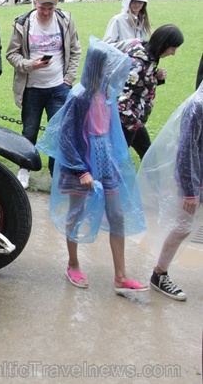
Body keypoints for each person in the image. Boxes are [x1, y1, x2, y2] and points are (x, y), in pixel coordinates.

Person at [36, 38, 147, 294]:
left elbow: (110, 131)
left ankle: (121, 275)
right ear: (97, 66)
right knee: (76, 213)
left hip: (104, 158)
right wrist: (80, 170)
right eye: (108, 66)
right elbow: (66, 137)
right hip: (82, 161)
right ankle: (73, 264)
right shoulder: (79, 96)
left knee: (117, 214)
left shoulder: (107, 92)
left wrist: (116, 161)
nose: (113, 71)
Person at [5, 0, 82, 189]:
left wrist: (68, 79)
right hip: (32, 88)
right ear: (35, 4)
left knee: (58, 131)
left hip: (59, 87)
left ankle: (56, 172)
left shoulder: (65, 20)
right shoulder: (23, 24)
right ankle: (24, 168)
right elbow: (11, 54)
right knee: (29, 130)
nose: (46, 12)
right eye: (42, 8)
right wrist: (31, 64)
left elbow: (75, 50)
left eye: (50, 8)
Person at [137, 81, 203, 301]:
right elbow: (186, 149)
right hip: (194, 182)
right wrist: (190, 190)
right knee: (182, 228)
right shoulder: (197, 107)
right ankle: (159, 274)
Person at [117, 24, 184, 160]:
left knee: (148, 155)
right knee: (118, 159)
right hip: (128, 121)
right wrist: (133, 123)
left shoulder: (149, 57)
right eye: (172, 49)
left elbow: (138, 84)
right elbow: (121, 97)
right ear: (163, 44)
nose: (173, 53)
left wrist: (155, 77)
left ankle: (151, 180)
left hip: (135, 119)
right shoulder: (139, 63)